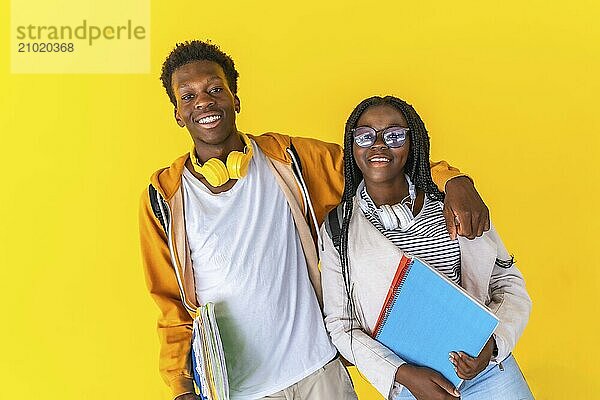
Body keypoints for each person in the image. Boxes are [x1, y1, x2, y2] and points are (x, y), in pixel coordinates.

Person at [139, 41, 490, 400]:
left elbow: (375, 160)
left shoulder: (290, 160)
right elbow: (171, 304)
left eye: (215, 89)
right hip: (240, 389)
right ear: (178, 114)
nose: (204, 102)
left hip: (320, 369)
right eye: (188, 96)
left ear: (236, 100)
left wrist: (453, 180)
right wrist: (181, 387)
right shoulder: (164, 198)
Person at [320, 95, 534, 400]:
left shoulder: (455, 203)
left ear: (413, 144)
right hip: (415, 387)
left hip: (489, 371)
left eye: (394, 135)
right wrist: (403, 375)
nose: (378, 145)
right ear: (352, 145)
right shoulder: (337, 228)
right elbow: (341, 325)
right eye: (365, 136)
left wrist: (492, 344)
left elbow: (508, 282)